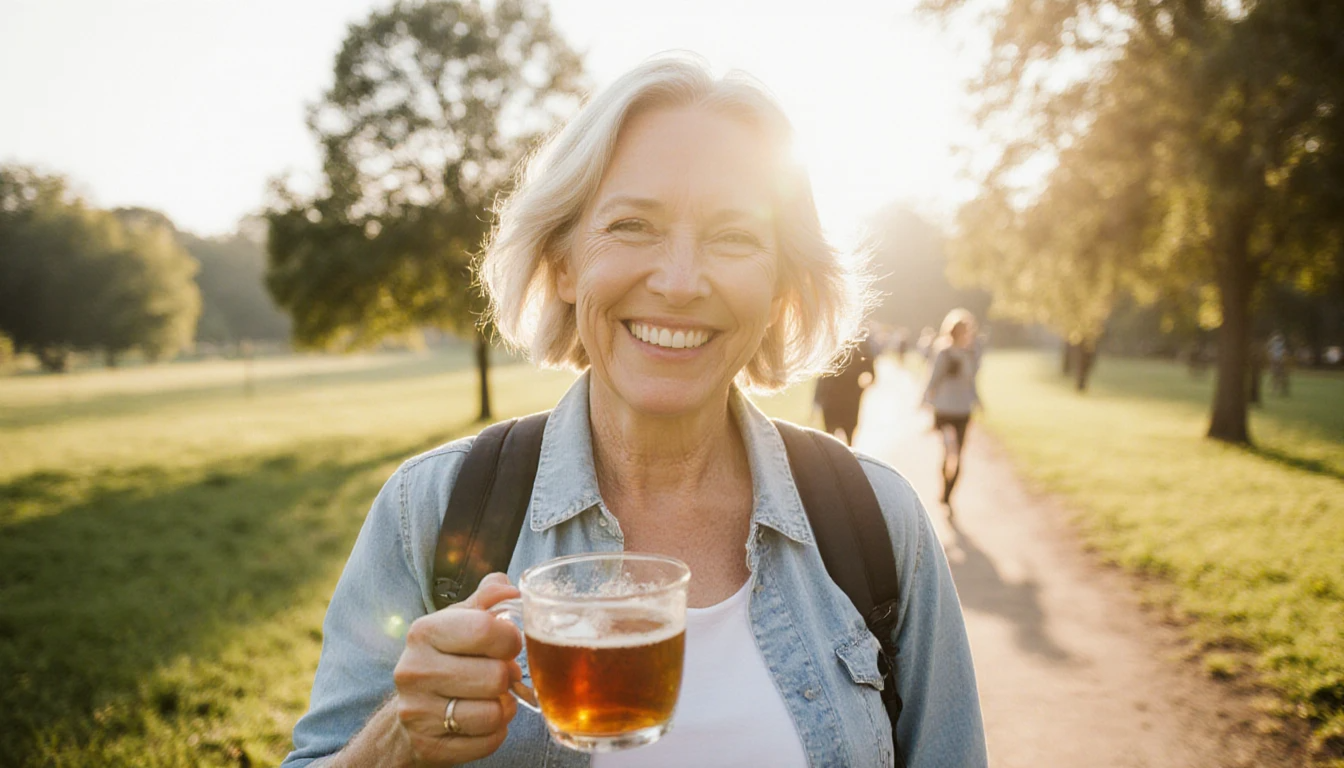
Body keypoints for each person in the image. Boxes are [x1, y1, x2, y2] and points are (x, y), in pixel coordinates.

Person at [282, 56, 987, 768]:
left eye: (734, 236)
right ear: (562, 262)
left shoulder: (878, 524)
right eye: (631, 225)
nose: (680, 283)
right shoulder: (431, 509)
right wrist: (392, 743)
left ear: (780, 288)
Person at [921, 309, 983, 511]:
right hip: (945, 410)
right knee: (951, 451)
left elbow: (971, 381)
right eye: (964, 331)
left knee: (958, 456)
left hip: (963, 411)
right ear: (955, 332)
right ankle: (944, 486)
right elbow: (934, 377)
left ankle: (947, 494)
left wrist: (978, 400)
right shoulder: (944, 353)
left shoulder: (971, 354)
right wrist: (925, 398)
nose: (967, 335)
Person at [813, 333, 876, 446]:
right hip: (840, 397)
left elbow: (871, 372)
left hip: (840, 397)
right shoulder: (835, 343)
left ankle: (841, 456)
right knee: (837, 434)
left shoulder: (855, 344)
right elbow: (871, 373)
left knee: (839, 434)